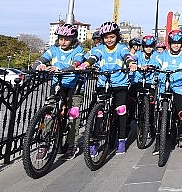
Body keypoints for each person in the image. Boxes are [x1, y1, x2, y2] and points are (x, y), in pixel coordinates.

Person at [80, 21, 137, 155]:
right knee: (98, 112)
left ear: (117, 36)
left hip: (119, 84)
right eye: (106, 37)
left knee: (121, 110)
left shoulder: (121, 48)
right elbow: (94, 57)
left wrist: (131, 63)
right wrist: (86, 64)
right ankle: (93, 140)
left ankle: (121, 140)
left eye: (112, 37)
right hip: (103, 84)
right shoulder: (99, 49)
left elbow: (127, 56)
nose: (109, 40)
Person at [31, 23, 85, 159]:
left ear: (73, 39)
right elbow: (41, 59)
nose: (63, 41)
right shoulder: (54, 49)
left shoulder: (78, 50)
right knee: (49, 112)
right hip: (57, 84)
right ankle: (44, 143)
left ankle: (71, 144)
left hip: (74, 85)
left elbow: (77, 63)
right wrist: (40, 65)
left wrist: (69, 68)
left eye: (66, 39)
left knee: (73, 114)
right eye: (61, 38)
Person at [152, 29, 182, 154]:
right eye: (173, 42)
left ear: (181, 43)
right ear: (169, 43)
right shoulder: (162, 55)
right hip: (164, 87)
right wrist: (152, 68)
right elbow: (155, 65)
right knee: (159, 115)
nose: (176, 45)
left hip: (179, 88)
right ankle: (158, 142)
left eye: (178, 42)